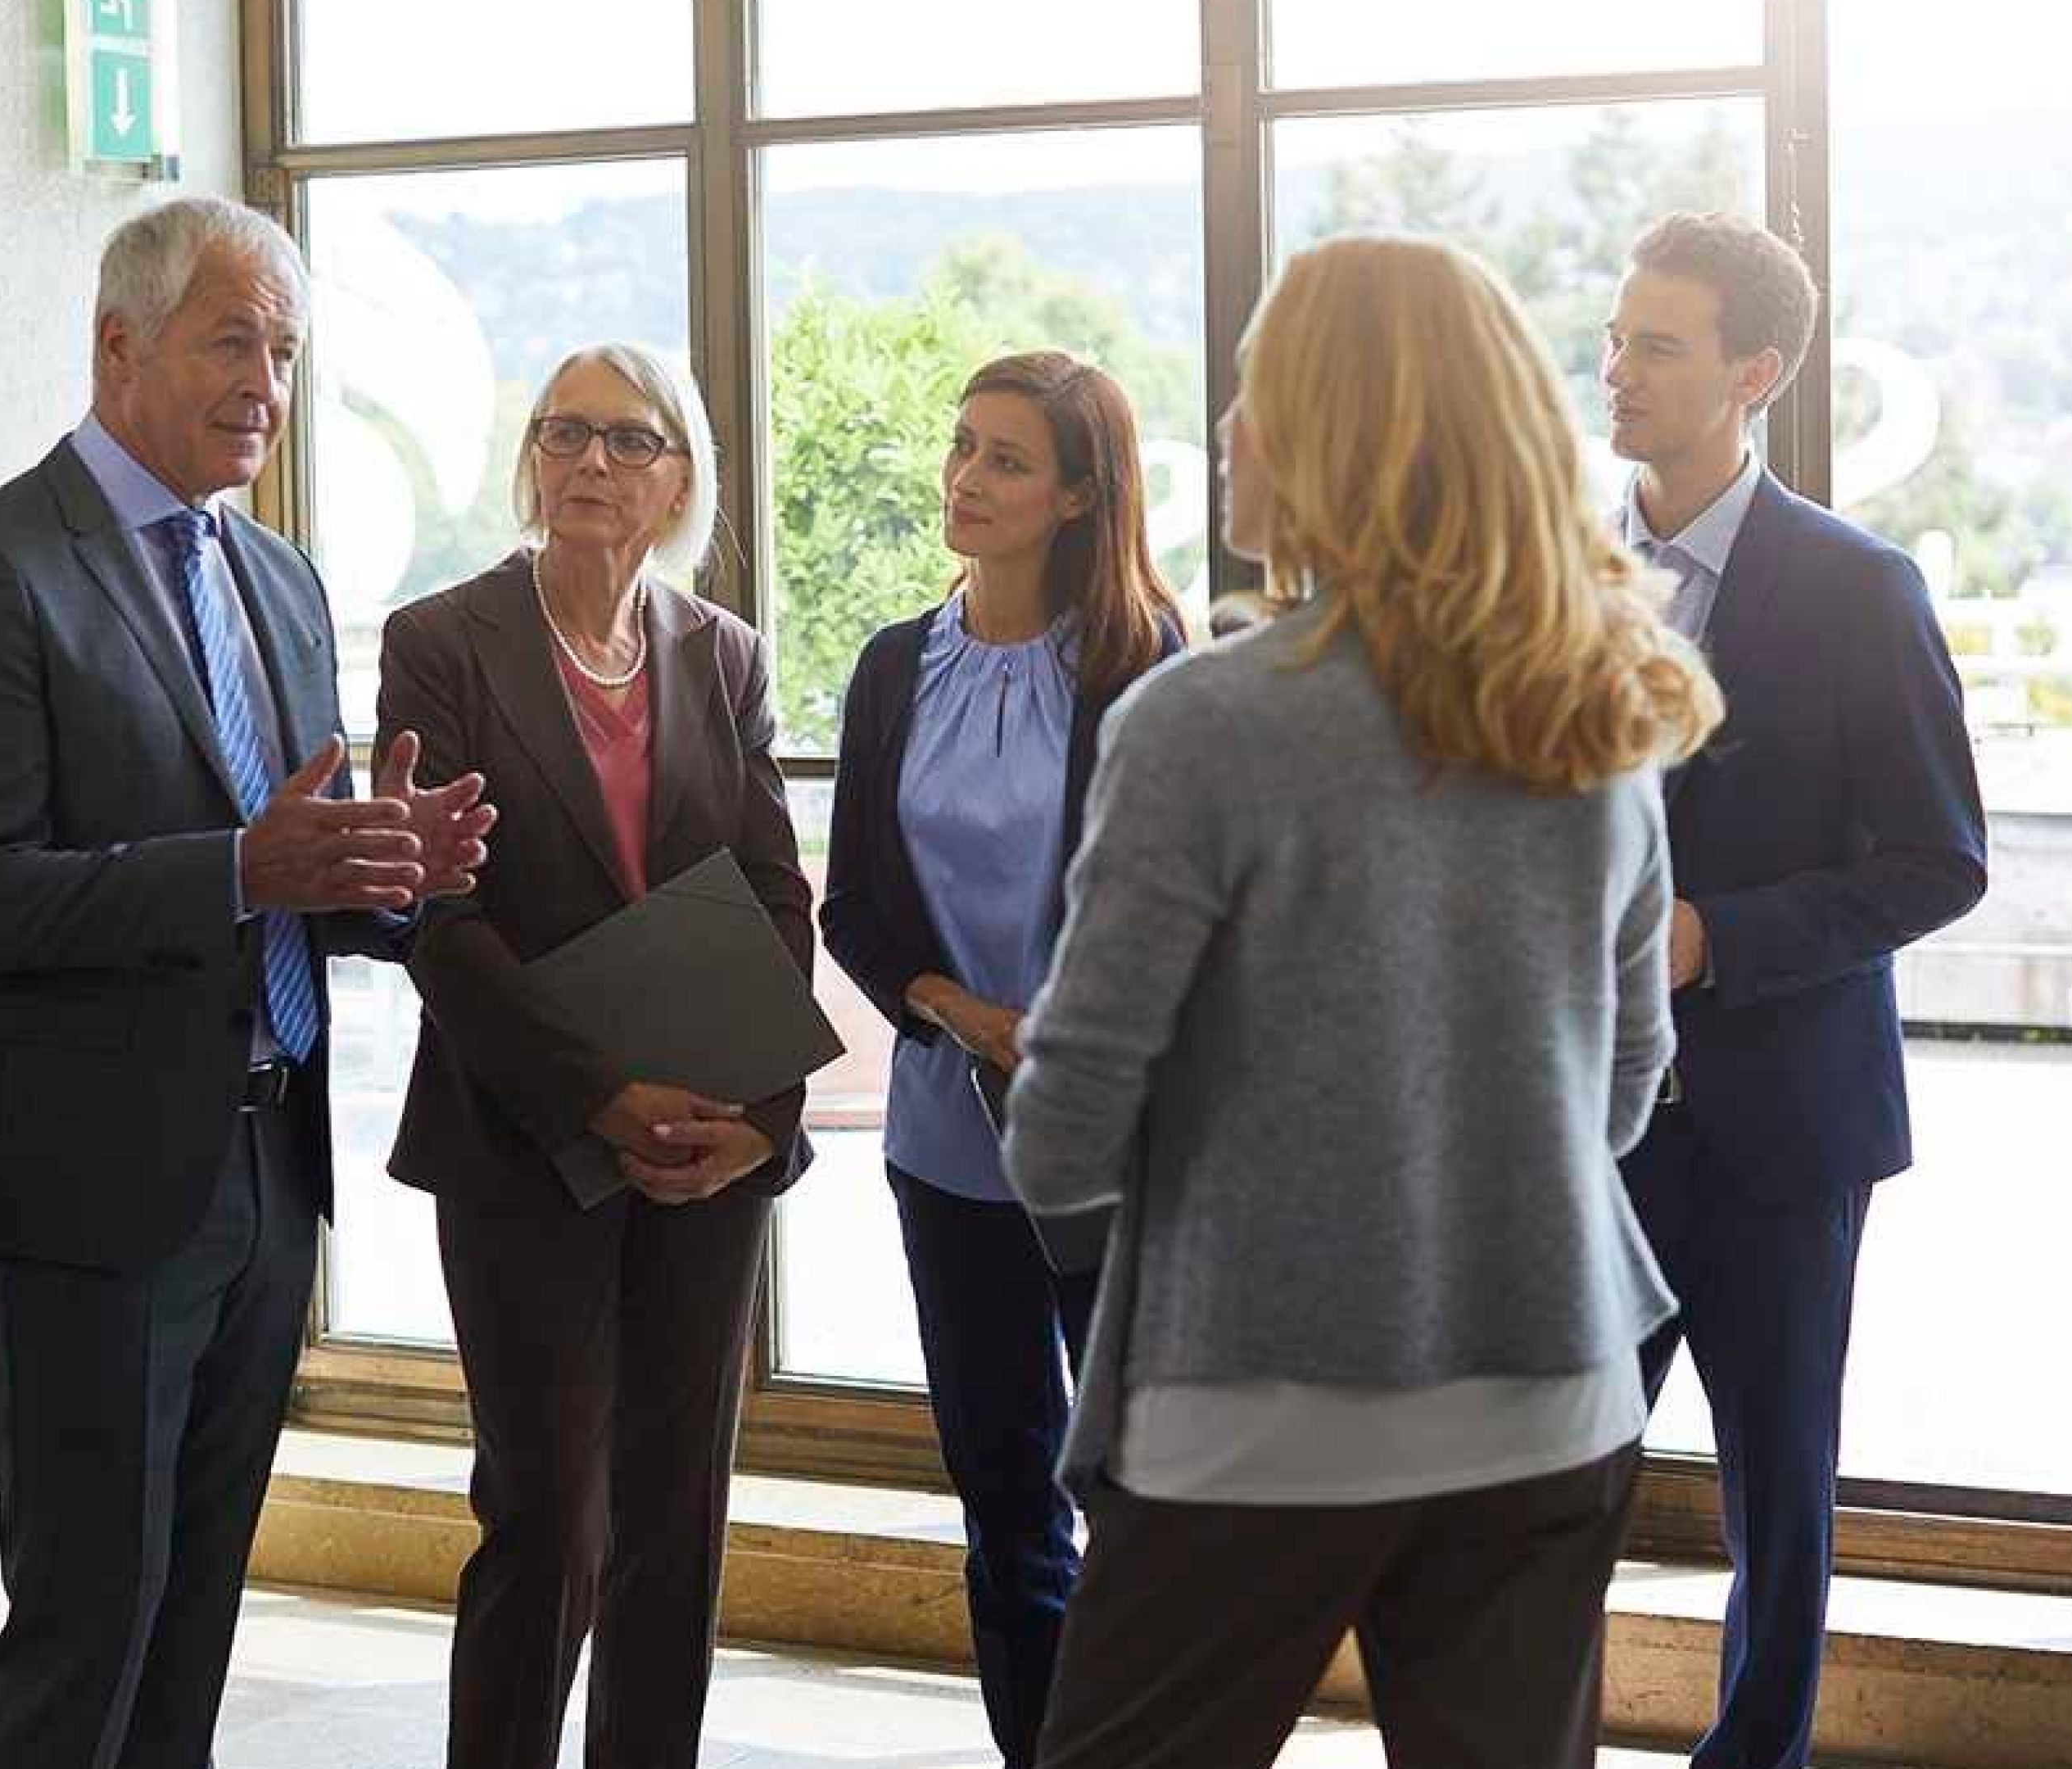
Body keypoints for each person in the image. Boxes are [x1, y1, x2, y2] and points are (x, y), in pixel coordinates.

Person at [1010, 234, 1724, 1769]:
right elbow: (1617, 1087)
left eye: (1260, 389)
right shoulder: (1595, 706)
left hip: (1254, 1401)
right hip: (1553, 1388)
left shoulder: (1204, 722)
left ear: (1341, 429)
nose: (1229, 429)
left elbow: (1064, 1133)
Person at [0, 196, 495, 1769]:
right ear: (118, 346)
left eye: (286, 353)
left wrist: (387, 875)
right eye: (235, 341)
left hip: (268, 1169)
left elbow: (301, 874)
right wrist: (246, 867)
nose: (268, 386)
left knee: (197, 1616)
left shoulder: (282, 580)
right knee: (88, 1621)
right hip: (87, 1196)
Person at [373, 342, 813, 1769]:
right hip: (520, 1140)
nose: (589, 464)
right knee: (551, 1510)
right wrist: (595, 1095)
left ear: (680, 475)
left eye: (628, 440)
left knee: (676, 1513)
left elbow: (770, 891)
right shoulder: (442, 639)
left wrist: (760, 1118)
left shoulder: (722, 651)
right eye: (565, 433)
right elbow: (436, 915)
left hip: (706, 1148)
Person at [1601, 210, 1987, 1769]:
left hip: (1779, 1127)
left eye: (1660, 346)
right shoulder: (1553, 574)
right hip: (1586, 1129)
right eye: (1618, 336)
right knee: (1540, 1483)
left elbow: (1936, 861)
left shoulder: (1858, 587)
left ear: (1755, 373)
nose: (1618, 369)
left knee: (1779, 1491)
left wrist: (1714, 938)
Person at [819, 348, 1180, 1769]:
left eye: (1008, 460)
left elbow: (1200, 910)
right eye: (963, 447)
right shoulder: (896, 666)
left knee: (1145, 1506)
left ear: (1081, 493)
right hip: (947, 1139)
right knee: (1006, 1504)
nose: (966, 480)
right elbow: (852, 903)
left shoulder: (1154, 666)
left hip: (1123, 1148)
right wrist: (966, 1019)